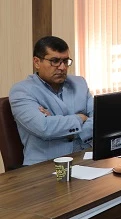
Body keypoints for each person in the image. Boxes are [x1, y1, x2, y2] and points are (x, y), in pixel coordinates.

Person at [9, 36, 94, 165]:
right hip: (45, 165)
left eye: (65, 61)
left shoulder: (79, 83)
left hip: (84, 158)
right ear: (37, 62)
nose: (62, 67)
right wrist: (80, 118)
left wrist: (57, 124)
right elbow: (44, 128)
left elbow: (99, 119)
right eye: (55, 61)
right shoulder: (21, 91)